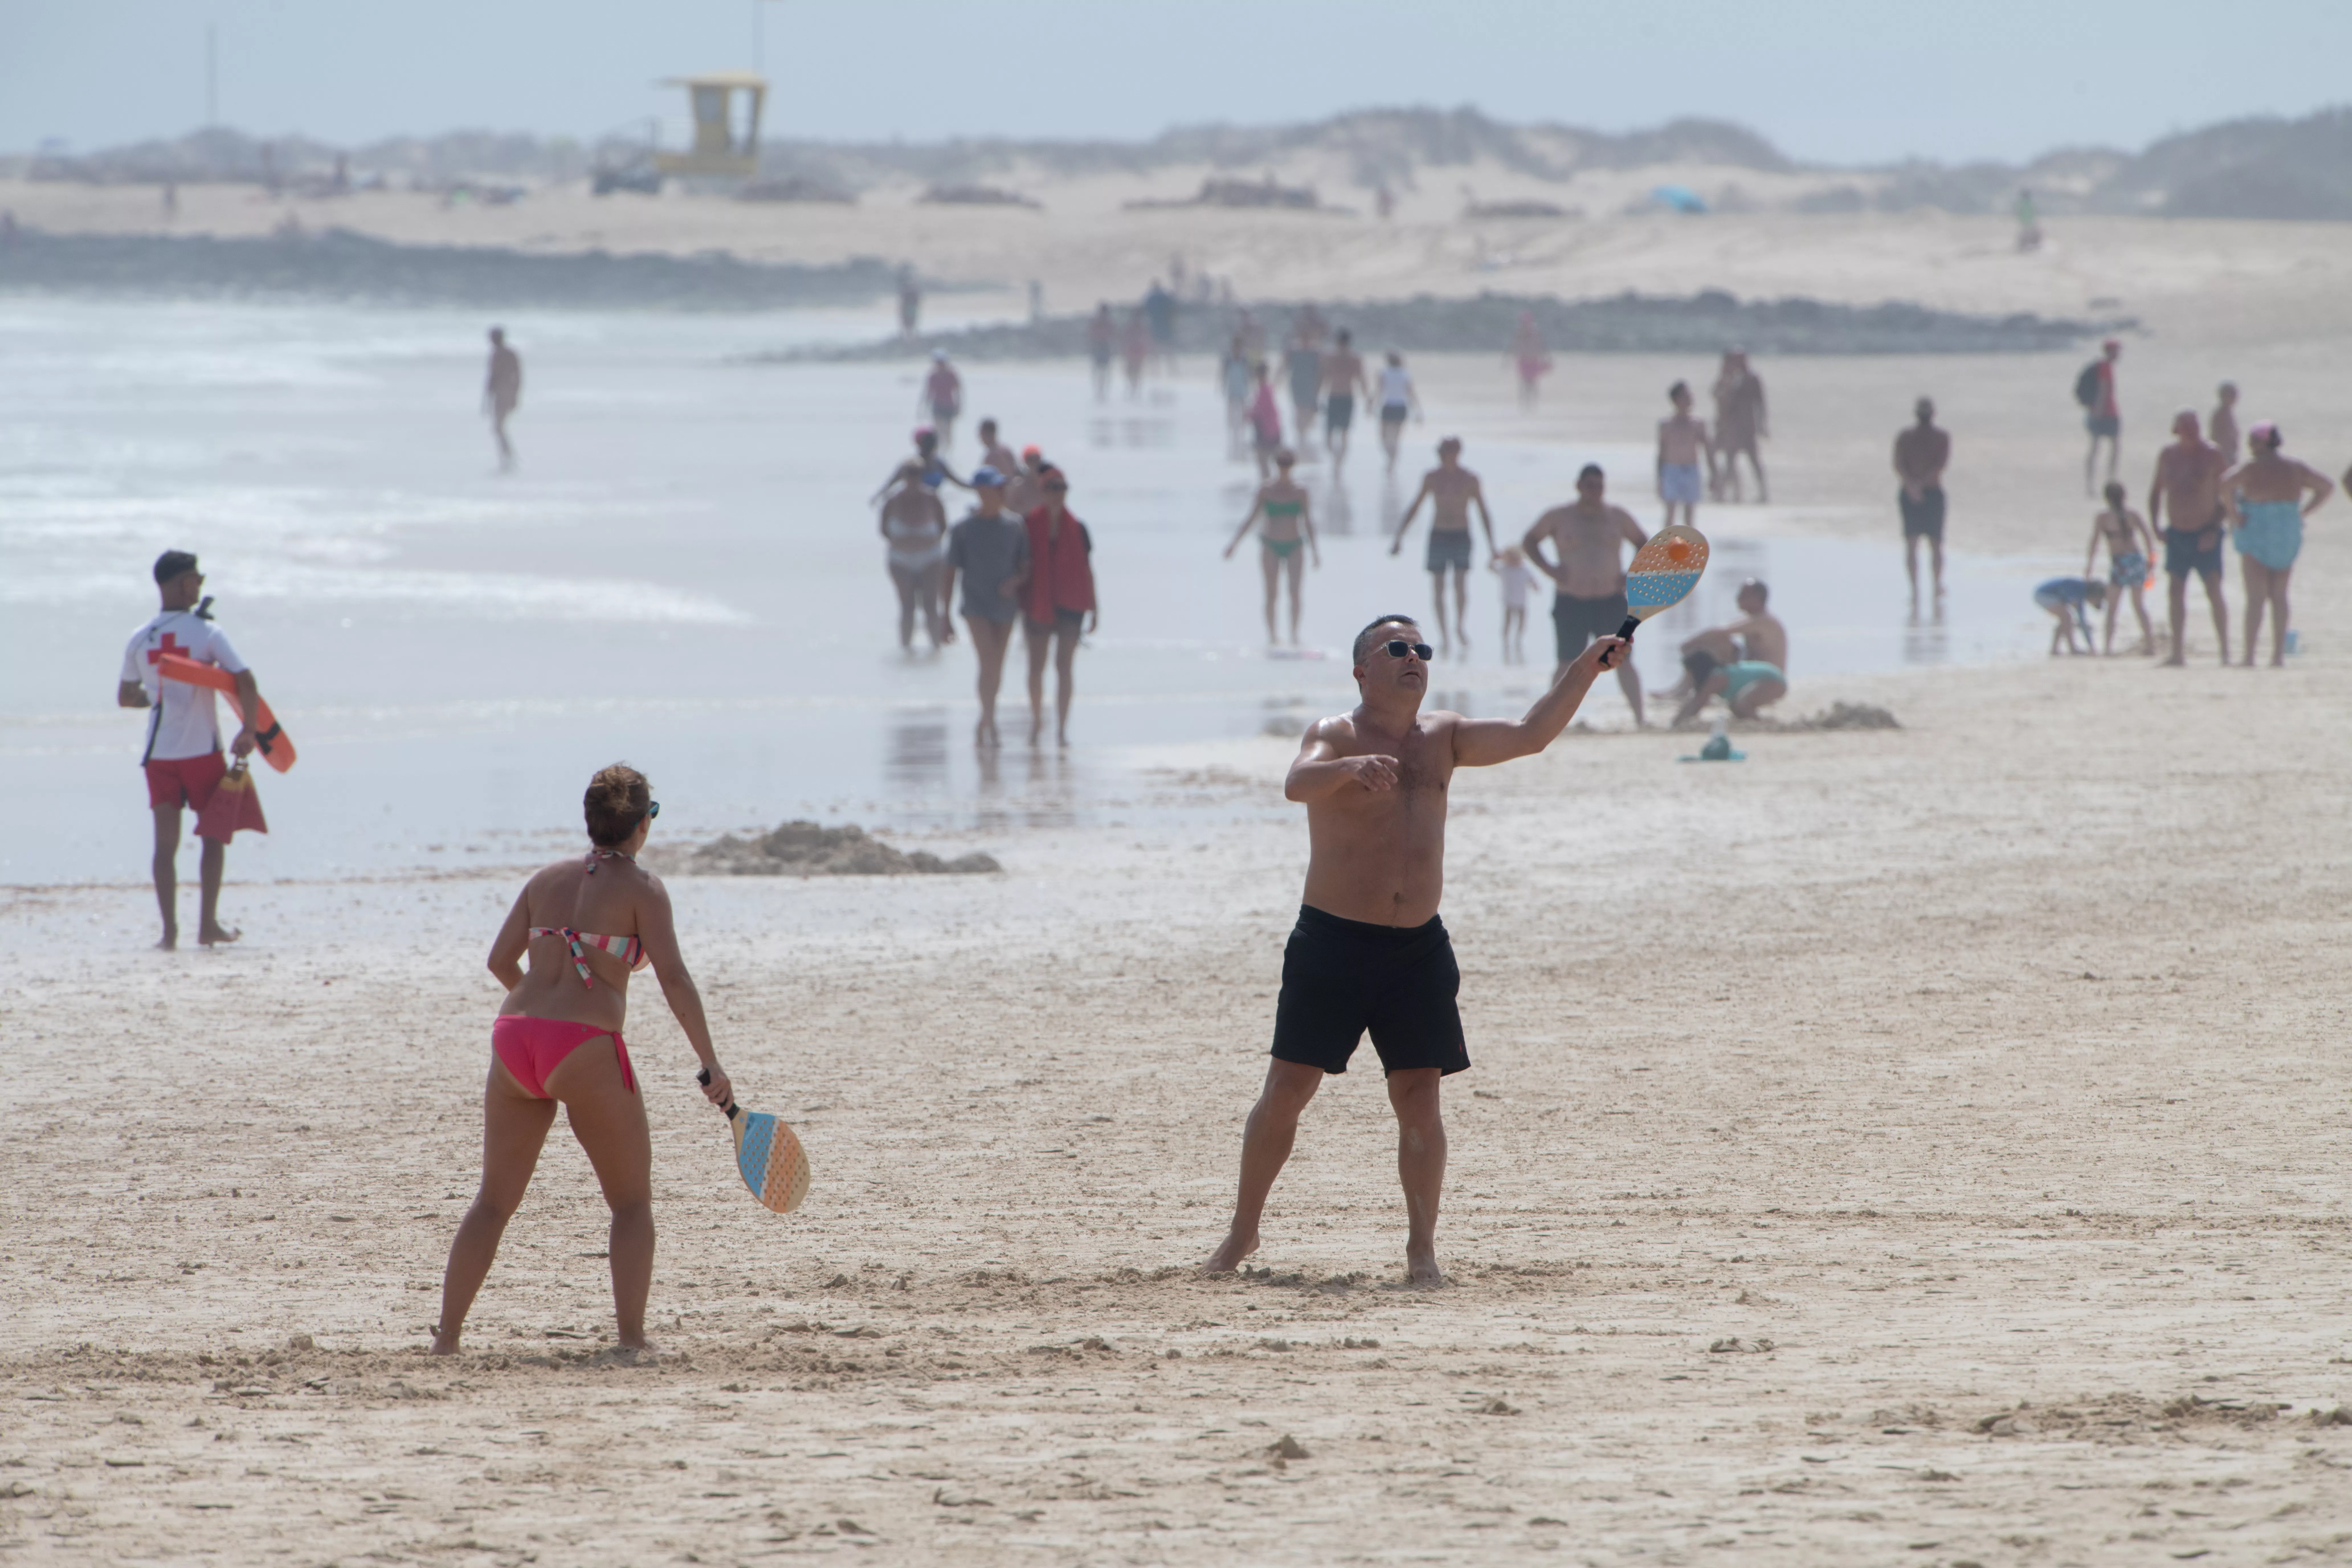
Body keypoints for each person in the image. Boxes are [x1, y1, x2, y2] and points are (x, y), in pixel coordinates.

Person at [1201, 615, 1627, 1284]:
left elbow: (1530, 736)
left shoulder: (1445, 737)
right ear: (1361, 672)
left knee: (1420, 1098)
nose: (1413, 659)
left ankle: (1421, 1250)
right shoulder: (1333, 734)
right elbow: (1296, 784)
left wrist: (1584, 668)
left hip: (1417, 951)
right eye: (1396, 649)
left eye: (1422, 650)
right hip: (1333, 942)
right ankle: (1241, 1234)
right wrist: (1347, 768)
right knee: (1287, 1090)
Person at [430, 764, 735, 1356]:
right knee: (630, 1202)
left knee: (492, 1202)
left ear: (590, 821)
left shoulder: (546, 877)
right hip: (584, 1045)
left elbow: (499, 961)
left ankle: (447, 1340)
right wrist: (710, 1062)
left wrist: (541, 1011)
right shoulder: (644, 889)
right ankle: (631, 1338)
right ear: (643, 824)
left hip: (514, 1038)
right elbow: (673, 976)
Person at [118, 550, 262, 950]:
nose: (200, 585)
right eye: (197, 578)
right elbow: (246, 681)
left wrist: (161, 698)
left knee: (165, 846)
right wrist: (248, 731)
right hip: (202, 753)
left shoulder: (139, 637)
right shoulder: (208, 634)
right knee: (213, 837)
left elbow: (127, 697)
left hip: (159, 756)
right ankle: (207, 927)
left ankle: (169, 935)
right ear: (184, 584)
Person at [1523, 464, 1648, 724]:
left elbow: (1644, 543)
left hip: (1611, 599)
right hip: (1572, 600)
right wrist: (1549, 569)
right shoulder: (1560, 516)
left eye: (1599, 486)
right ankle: (1552, 721)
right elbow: (1530, 540)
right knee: (1567, 662)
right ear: (1579, 486)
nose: (1595, 491)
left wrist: (1631, 574)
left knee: (1624, 660)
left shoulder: (1617, 516)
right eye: (1590, 485)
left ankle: (1640, 718)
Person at [2222, 422, 2332, 667]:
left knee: (2256, 597)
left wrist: (2234, 514)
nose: (2250, 446)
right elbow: (2326, 487)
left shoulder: (2251, 468)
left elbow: (2225, 484)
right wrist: (2303, 513)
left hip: (2258, 527)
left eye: (2253, 441)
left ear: (2264, 443)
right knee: (2280, 595)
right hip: (2286, 530)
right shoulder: (2295, 468)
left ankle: (2250, 655)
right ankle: (2277, 656)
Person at [944, 467, 1031, 747]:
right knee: (988, 659)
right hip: (975, 604)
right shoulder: (963, 529)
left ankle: (988, 715)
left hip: (1006, 605)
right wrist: (943, 615)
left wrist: (1016, 582)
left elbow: (1026, 566)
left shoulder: (1015, 525)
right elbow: (950, 573)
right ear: (981, 492)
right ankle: (989, 718)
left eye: (1001, 487)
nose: (1000, 492)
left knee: (998, 663)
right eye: (995, 488)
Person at [1392, 437, 1497, 657]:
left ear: (1459, 453)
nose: (1450, 456)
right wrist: (1399, 536)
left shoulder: (1469, 479)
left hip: (1461, 534)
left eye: (1454, 452)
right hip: (1438, 534)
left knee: (1460, 584)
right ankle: (1444, 634)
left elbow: (1483, 511)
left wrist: (1492, 547)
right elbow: (1416, 506)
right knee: (1438, 586)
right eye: (1447, 452)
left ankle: (1459, 625)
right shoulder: (1432, 478)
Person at [1022, 467, 1097, 747]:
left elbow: (1088, 569)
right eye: (1052, 488)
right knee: (1035, 667)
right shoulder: (1029, 524)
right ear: (1042, 491)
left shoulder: (1078, 528)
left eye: (1062, 488)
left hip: (1071, 601)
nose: (1057, 494)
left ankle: (1062, 728)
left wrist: (1095, 606)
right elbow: (1021, 564)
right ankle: (1037, 719)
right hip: (1038, 601)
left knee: (1064, 667)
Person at [2148, 407, 2230, 666]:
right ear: (2177, 430)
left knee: (2213, 590)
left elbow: (2228, 494)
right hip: (2177, 535)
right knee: (2175, 591)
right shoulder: (2168, 455)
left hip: (2205, 532)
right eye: (2187, 426)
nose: (2192, 431)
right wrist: (2156, 527)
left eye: (2195, 426)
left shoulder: (2212, 455)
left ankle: (2225, 651)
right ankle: (2177, 653)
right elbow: (2156, 492)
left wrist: (2213, 529)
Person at [1223, 448, 1321, 646]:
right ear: (1277, 466)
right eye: (1281, 465)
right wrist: (1234, 544)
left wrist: (1315, 552)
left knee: (1295, 593)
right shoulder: (1266, 490)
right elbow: (1251, 518)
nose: (1284, 470)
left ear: (1292, 467)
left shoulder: (1301, 491)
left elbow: (1308, 522)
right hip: (1270, 545)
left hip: (1295, 545)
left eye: (1287, 466)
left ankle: (1294, 635)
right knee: (1271, 593)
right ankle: (1272, 636)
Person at [1672, 579, 1788, 723]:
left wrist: (1690, 643)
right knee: (1735, 706)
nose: (1738, 598)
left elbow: (1722, 631)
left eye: (1744, 594)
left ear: (1758, 598)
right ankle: (1681, 688)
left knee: (1740, 703)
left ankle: (1764, 726)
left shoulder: (1764, 621)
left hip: (1768, 679)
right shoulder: (1752, 621)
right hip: (1752, 676)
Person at [878, 461, 951, 652]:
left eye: (917, 474)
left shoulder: (933, 499)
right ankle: (906, 650)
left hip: (931, 559)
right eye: (909, 474)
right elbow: (884, 532)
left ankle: (936, 650)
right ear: (903, 477)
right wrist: (907, 543)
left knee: (930, 605)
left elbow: (943, 527)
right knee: (907, 606)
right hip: (901, 560)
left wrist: (922, 542)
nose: (913, 479)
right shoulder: (892, 501)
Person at [2087, 480, 2160, 656]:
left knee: (2113, 608)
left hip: (2119, 563)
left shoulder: (2103, 518)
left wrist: (2089, 567)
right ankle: (2150, 645)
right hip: (2136, 561)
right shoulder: (2133, 515)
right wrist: (2151, 562)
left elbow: (2095, 543)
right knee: (2139, 606)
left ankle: (2108, 648)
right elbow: (2149, 539)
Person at [1894, 396, 1952, 604]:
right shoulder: (1940, 437)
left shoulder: (1907, 436)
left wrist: (1912, 485)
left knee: (1915, 543)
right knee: (1933, 543)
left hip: (1913, 492)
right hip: (1931, 491)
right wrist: (1919, 485)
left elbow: (1899, 465)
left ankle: (1919, 589)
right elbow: (1940, 466)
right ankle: (1932, 587)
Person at [1655, 380, 1714, 530]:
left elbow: (1707, 449)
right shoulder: (1666, 424)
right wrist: (1659, 478)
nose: (1689, 399)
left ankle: (1691, 549)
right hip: (1671, 469)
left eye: (1690, 396)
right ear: (1676, 400)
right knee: (1670, 513)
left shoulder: (1698, 423)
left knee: (1690, 515)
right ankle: (1666, 548)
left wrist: (1714, 473)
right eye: (1685, 396)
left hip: (1691, 469)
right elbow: (1661, 453)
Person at [1711, 350, 1768, 502]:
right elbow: (1717, 396)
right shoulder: (1729, 378)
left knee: (1754, 460)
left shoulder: (1752, 379)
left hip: (1747, 428)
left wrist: (1762, 425)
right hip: (1732, 429)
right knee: (1730, 461)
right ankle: (1723, 493)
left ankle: (1763, 493)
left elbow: (1760, 403)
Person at [1319, 329, 1372, 465]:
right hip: (1348, 397)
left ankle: (1335, 461)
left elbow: (1323, 378)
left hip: (1334, 396)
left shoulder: (1331, 357)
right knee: (1344, 433)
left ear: (1337, 341)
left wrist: (1317, 396)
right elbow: (1362, 380)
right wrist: (1368, 399)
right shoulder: (1355, 358)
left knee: (1330, 434)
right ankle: (1339, 463)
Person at [2079, 338, 2122, 497]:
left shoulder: (2104, 366)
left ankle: (2096, 484)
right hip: (2107, 413)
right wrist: (2099, 411)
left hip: (2102, 412)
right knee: (2109, 448)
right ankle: (2108, 483)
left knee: (2097, 448)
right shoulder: (2105, 367)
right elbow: (2104, 390)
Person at [2033, 576, 2106, 656]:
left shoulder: (2081, 593)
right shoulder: (2079, 589)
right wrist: (2092, 647)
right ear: (2095, 595)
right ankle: (2072, 649)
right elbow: (2065, 587)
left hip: (2047, 595)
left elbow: (2082, 621)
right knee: (2067, 618)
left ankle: (2055, 650)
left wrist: (2091, 646)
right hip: (2044, 595)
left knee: (2065, 620)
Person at [1491, 544, 1539, 664]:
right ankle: (1506, 641)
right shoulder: (1505, 569)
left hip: (1522, 602)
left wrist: (1535, 586)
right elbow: (1490, 568)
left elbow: (1532, 580)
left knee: (1522, 621)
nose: (1514, 561)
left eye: (1516, 558)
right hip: (1508, 602)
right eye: (1511, 558)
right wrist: (1496, 558)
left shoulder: (1524, 570)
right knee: (1508, 621)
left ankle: (1518, 639)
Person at [1284, 321, 1326, 459]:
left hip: (1311, 388)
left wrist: (1319, 389)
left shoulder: (1316, 353)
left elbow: (1321, 373)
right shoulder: (1293, 351)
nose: (1305, 340)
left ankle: (1304, 442)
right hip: (1298, 388)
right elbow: (1284, 366)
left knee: (1309, 416)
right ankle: (1301, 443)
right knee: (1299, 414)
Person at [483, 326, 522, 472]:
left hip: (504, 394)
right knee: (498, 427)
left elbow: (516, 376)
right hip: (501, 394)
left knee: (498, 427)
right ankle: (507, 456)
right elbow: (492, 379)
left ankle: (509, 456)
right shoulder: (501, 354)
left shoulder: (504, 354)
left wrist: (515, 395)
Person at [1375, 352, 1421, 472]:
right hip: (1401, 407)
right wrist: (1418, 411)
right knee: (1395, 438)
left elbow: (1379, 391)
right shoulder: (1405, 375)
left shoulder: (1384, 373)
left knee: (1384, 437)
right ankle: (1392, 461)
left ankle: (1391, 460)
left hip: (1389, 406)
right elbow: (1412, 394)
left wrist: (1371, 404)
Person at [1246, 361, 1285, 481]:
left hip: (1267, 432)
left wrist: (1248, 415)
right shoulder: (1265, 390)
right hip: (1270, 430)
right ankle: (1270, 485)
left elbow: (1260, 412)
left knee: (1265, 462)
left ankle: (1268, 486)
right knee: (1269, 462)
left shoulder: (1265, 391)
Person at [920, 350, 963, 451]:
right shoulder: (933, 376)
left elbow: (959, 392)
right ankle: (939, 452)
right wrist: (923, 408)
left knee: (948, 432)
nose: (940, 365)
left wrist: (959, 406)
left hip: (949, 406)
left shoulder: (952, 375)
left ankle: (948, 452)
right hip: (937, 406)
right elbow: (928, 393)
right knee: (938, 431)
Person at [1511, 311, 1550, 409]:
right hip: (1525, 361)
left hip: (1533, 361)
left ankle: (1532, 404)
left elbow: (1542, 346)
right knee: (1526, 384)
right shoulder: (1520, 334)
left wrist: (1547, 358)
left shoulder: (1535, 334)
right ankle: (1526, 404)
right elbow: (1514, 347)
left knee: (1532, 384)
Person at [1220, 334, 1253, 441]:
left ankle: (1242, 435)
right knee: (1231, 415)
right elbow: (1224, 375)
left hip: (1242, 392)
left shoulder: (1245, 360)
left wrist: (1250, 389)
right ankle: (1232, 436)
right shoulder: (1228, 360)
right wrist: (1223, 387)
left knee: (1243, 415)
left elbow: (1249, 376)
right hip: (1232, 391)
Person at [1143, 280, 1178, 369]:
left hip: (1155, 324)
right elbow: (1172, 309)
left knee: (1155, 346)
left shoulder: (1150, 297)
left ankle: (1156, 368)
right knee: (1168, 346)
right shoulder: (1165, 297)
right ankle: (1171, 367)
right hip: (1166, 324)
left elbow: (1146, 311)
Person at [975, 417, 1020, 484]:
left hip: (1002, 493)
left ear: (987, 433)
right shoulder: (1006, 450)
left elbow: (1007, 479)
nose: (979, 437)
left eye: (981, 434)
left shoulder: (992, 456)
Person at [1087, 303, 1116, 400]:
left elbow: (1091, 334)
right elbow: (1112, 334)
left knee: (1099, 370)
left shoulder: (1097, 321)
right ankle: (1102, 390)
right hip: (1104, 346)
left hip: (1099, 346)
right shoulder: (1108, 322)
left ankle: (1100, 390)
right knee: (1104, 370)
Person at [1120, 310, 1151, 398]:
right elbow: (1125, 339)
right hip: (1132, 352)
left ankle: (1135, 389)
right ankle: (1133, 388)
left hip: (1138, 353)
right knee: (1132, 372)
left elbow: (1146, 340)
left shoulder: (1142, 328)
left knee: (1136, 372)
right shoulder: (1131, 327)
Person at [2210, 381, 2241, 466]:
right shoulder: (2220, 414)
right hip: (2224, 454)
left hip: (2229, 452)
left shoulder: (2228, 412)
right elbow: (2218, 437)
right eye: (2232, 396)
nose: (2235, 399)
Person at [897, 265, 920, 337]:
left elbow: (917, 300)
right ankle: (909, 336)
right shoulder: (906, 289)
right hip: (908, 308)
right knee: (908, 324)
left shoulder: (909, 289)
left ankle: (910, 336)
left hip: (911, 308)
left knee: (910, 324)